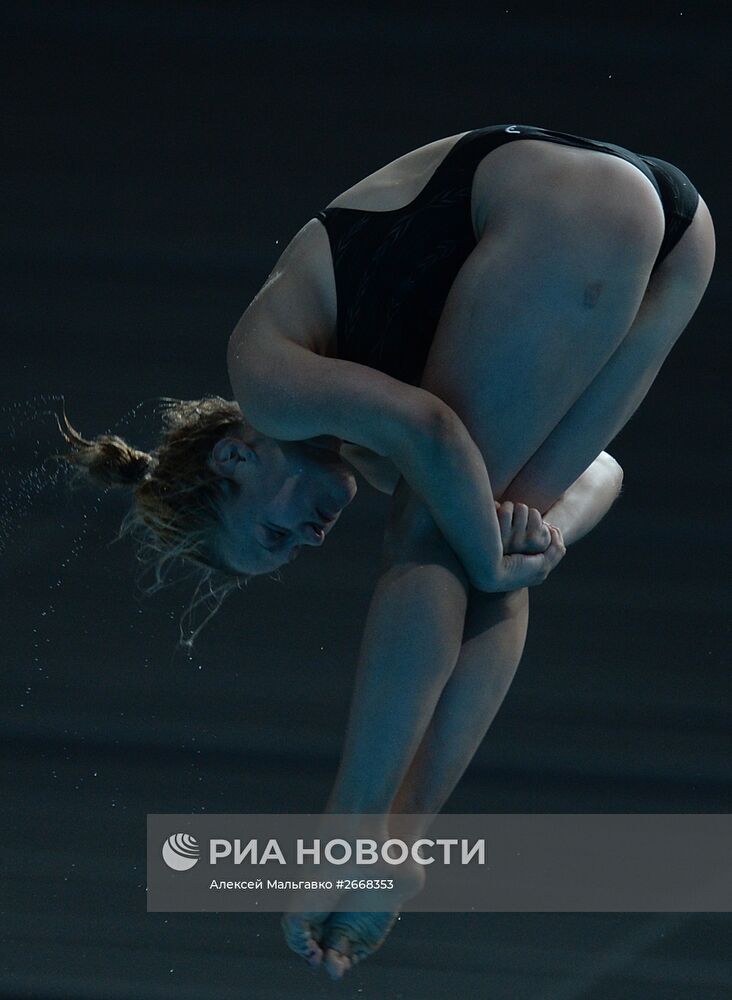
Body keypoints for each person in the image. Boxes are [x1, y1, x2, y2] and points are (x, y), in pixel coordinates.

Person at [56, 123, 715, 979]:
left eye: (275, 531)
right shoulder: (355, 443)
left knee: (435, 528)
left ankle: (353, 829)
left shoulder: (268, 381)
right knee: (486, 519)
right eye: (293, 551)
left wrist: (487, 552)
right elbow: (605, 473)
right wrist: (532, 539)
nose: (311, 538)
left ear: (234, 458)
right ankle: (398, 842)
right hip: (676, 232)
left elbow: (431, 427)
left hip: (569, 202)